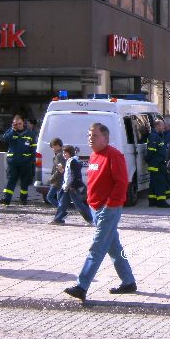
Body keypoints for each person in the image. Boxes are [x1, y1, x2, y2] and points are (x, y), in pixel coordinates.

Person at [64, 123, 137, 301]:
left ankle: (82, 286)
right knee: (114, 248)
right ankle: (128, 281)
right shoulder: (94, 156)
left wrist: (111, 204)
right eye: (89, 135)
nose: (90, 138)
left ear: (106, 137)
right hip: (96, 208)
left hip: (108, 209)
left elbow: (121, 183)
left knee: (96, 248)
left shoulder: (114, 155)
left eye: (94, 135)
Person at [50, 145, 94, 225]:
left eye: (66, 153)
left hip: (72, 187)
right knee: (62, 203)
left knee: (79, 205)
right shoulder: (70, 161)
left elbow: (76, 175)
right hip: (67, 187)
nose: (64, 155)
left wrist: (73, 186)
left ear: (70, 153)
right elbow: (68, 175)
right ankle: (58, 219)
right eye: (63, 153)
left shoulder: (73, 161)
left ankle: (91, 220)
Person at [0, 114, 37, 205]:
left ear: (23, 123)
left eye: (19, 123)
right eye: (15, 124)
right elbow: (4, 139)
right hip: (13, 162)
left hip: (25, 162)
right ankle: (6, 199)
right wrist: (13, 130)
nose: (18, 125)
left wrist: (31, 161)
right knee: (10, 180)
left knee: (24, 182)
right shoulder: (11, 132)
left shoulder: (29, 134)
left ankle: (23, 199)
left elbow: (33, 149)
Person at [146, 120, 170, 208]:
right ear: (157, 126)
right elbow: (151, 151)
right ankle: (161, 202)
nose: (164, 127)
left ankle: (152, 201)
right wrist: (150, 160)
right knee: (160, 183)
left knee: (153, 183)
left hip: (158, 163)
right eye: (162, 125)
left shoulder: (158, 136)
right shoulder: (153, 136)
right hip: (157, 164)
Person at [46, 137, 65, 207]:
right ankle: (60, 211)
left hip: (58, 180)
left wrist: (51, 179)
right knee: (59, 198)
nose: (52, 149)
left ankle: (61, 210)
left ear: (57, 145)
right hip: (60, 180)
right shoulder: (61, 154)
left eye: (53, 147)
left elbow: (59, 169)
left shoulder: (59, 156)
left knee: (49, 197)